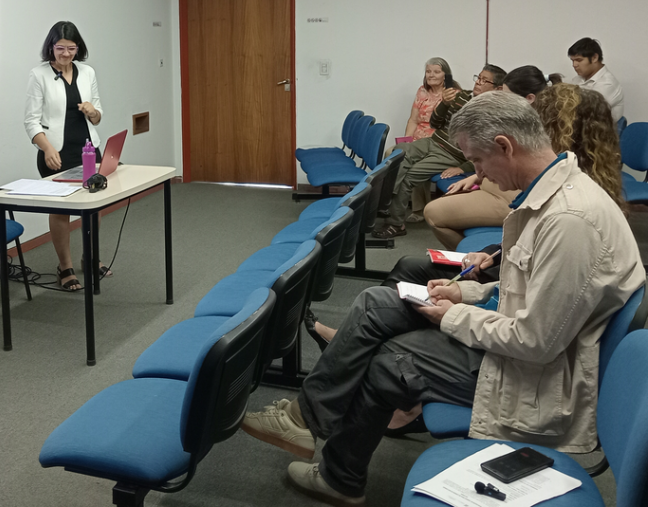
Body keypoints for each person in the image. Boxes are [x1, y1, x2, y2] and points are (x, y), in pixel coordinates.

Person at [242, 91, 644, 506]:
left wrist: (451, 317)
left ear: (505, 145)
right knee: (377, 303)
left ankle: (336, 473)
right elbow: (524, 288)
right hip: (528, 345)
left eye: (479, 160)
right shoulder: (551, 195)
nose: (477, 171)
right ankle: (307, 423)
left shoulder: (568, 221)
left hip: (541, 379)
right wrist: (463, 291)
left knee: (391, 361)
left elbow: (535, 342)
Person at [421, 65, 551, 248]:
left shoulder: (537, 128)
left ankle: (475, 261)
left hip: (506, 196)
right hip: (494, 187)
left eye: (507, 95)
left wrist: (477, 175)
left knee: (434, 212)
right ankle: (474, 258)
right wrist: (475, 177)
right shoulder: (518, 119)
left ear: (529, 99)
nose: (502, 100)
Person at [372, 65, 505, 239]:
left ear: (498, 88)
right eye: (478, 78)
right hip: (433, 141)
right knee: (398, 152)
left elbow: (487, 149)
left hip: (450, 154)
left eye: (484, 80)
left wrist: (464, 167)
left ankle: (395, 223)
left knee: (409, 176)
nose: (478, 83)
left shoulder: (493, 113)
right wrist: (444, 104)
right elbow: (435, 122)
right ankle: (385, 200)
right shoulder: (461, 96)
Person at [24, 21, 106, 291]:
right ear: (51, 47)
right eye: (61, 48)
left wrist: (92, 111)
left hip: (88, 149)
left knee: (93, 208)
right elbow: (31, 122)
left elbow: (97, 115)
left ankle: (91, 258)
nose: (66, 54)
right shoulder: (39, 75)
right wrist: (47, 148)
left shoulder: (87, 72)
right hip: (55, 153)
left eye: (72, 49)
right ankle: (65, 267)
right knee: (61, 212)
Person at [403, 58, 462, 141]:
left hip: (437, 142)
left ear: (446, 76)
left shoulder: (453, 95)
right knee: (392, 152)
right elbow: (413, 120)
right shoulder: (422, 91)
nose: (431, 75)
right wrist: (406, 140)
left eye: (436, 72)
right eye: (428, 72)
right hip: (416, 141)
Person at [567, 37, 625, 122]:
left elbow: (584, 111)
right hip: (580, 128)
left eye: (579, 60)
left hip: (600, 132)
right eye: (572, 61)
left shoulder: (608, 84)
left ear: (594, 58)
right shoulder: (577, 79)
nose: (574, 65)